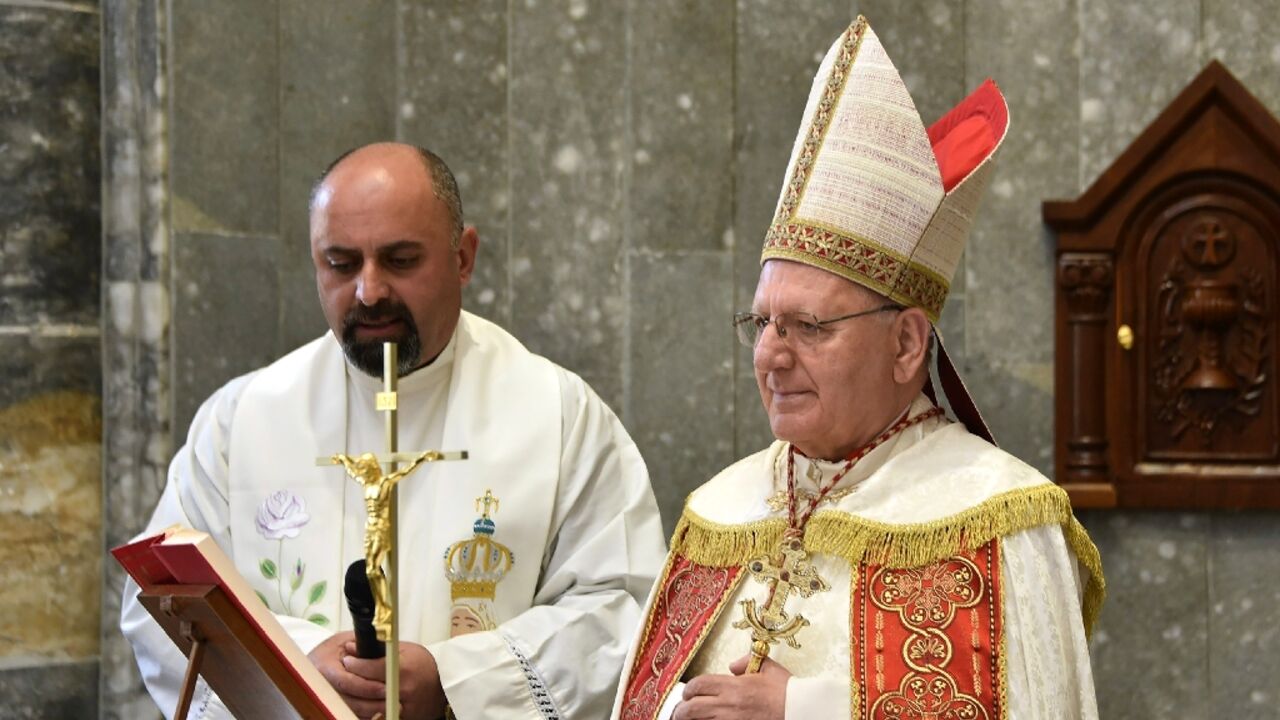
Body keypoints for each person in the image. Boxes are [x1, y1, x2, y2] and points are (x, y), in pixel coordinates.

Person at [611, 17, 1103, 720]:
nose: (772, 355)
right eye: (762, 323)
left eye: (809, 327)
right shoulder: (717, 513)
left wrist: (802, 711)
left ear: (906, 344)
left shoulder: (1000, 522)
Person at [121, 142, 668, 720]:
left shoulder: (560, 415)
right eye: (341, 263)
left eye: (401, 260)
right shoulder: (243, 419)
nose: (369, 290)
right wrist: (301, 661)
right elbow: (159, 602)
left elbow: (624, 610)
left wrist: (456, 683)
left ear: (463, 257)